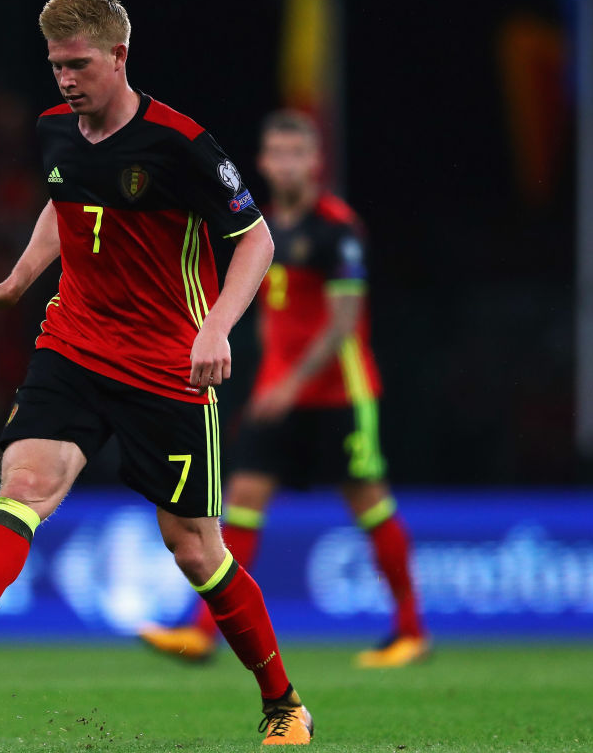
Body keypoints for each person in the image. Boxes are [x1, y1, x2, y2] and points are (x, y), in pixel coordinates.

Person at [0, 0, 314, 746]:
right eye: (56, 66)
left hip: (167, 366)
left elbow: (255, 238)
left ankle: (283, 702)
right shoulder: (55, 131)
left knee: (195, 548)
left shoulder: (180, 145)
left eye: (79, 65)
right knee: (24, 485)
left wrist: (217, 327)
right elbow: (63, 205)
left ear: (119, 57)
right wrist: (18, 283)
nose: (65, 80)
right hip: (75, 345)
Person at [139, 110, 429, 668]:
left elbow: (343, 324)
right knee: (241, 503)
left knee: (369, 503)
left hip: (341, 396)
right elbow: (273, 323)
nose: (287, 164)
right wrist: (270, 382)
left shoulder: (337, 229)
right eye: (278, 153)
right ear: (263, 163)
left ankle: (411, 631)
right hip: (278, 396)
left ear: (316, 162)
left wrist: (289, 385)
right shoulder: (264, 230)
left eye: (298, 153)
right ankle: (202, 631)